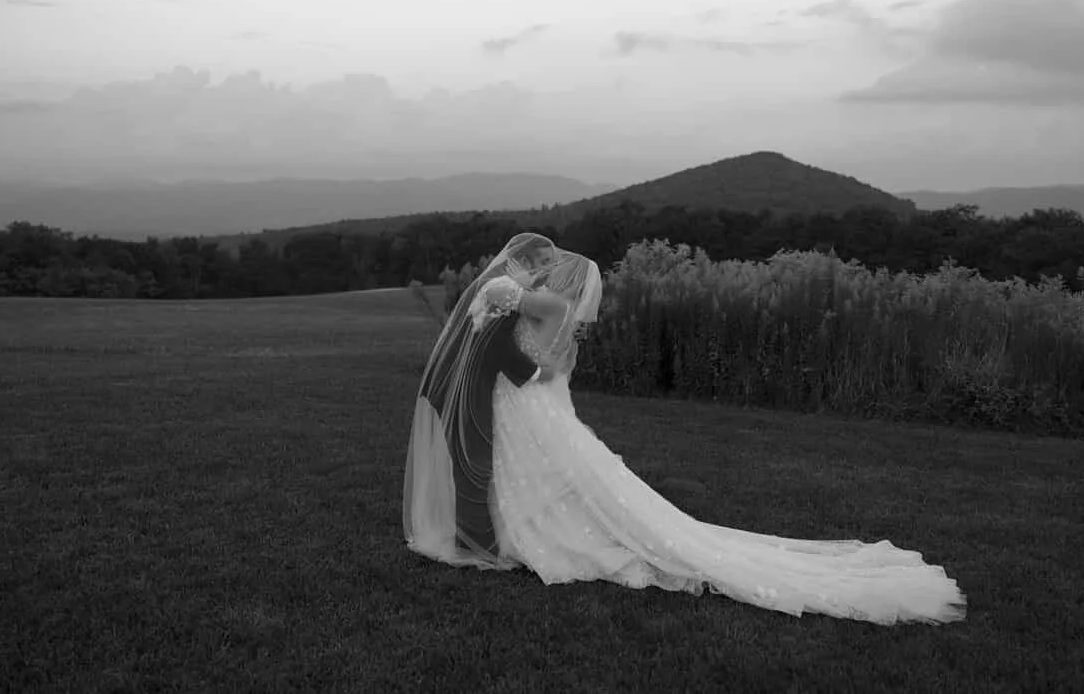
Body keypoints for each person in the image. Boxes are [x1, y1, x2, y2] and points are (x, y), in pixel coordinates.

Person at [471, 251, 968, 625]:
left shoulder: (546, 303)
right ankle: (535, 530)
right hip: (539, 401)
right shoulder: (565, 318)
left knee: (541, 470)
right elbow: (556, 366)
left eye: (552, 268)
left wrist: (498, 290)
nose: (544, 271)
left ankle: (538, 536)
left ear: (564, 281)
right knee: (550, 472)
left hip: (530, 402)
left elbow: (503, 298)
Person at [404, 233, 559, 569]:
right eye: (544, 261)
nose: (551, 268)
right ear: (524, 261)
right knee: (474, 462)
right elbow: (496, 346)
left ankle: (470, 538)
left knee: (469, 460)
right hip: (467, 384)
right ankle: (479, 546)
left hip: (463, 380)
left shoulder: (504, 285)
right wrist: (535, 373)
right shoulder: (506, 288)